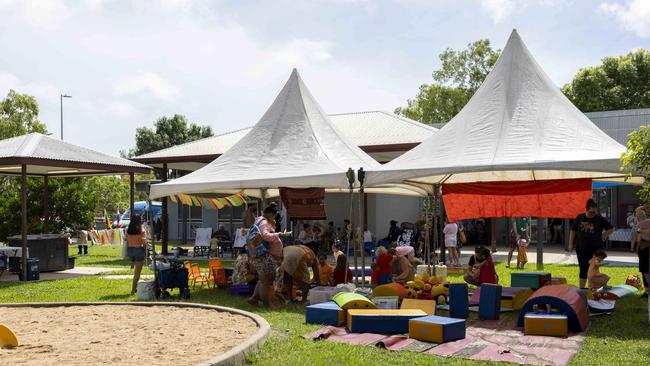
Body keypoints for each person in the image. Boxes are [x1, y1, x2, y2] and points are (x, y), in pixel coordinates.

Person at [246, 203, 291, 307]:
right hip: (265, 255)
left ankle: (254, 299)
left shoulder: (259, 220)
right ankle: (267, 304)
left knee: (263, 279)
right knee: (266, 281)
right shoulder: (264, 223)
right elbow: (266, 236)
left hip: (258, 254)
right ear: (271, 214)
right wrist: (279, 234)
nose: (275, 218)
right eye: (274, 215)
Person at [569, 199, 614, 289]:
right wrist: (570, 244)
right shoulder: (580, 217)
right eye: (591, 212)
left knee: (593, 269)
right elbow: (573, 231)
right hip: (581, 248)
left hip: (596, 250)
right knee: (583, 268)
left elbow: (611, 228)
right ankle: (581, 289)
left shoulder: (599, 218)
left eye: (594, 212)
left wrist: (604, 235)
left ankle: (594, 287)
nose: (593, 214)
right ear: (586, 209)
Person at [126, 216, 147, 295]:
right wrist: (146, 252)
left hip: (130, 250)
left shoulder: (128, 231)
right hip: (138, 250)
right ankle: (133, 290)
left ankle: (132, 263)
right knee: (137, 273)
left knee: (136, 270)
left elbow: (127, 241)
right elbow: (144, 243)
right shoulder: (141, 231)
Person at [634, 206, 650, 297]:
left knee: (646, 269)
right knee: (643, 270)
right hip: (641, 248)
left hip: (646, 247)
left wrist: (640, 231)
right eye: (636, 212)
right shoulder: (638, 222)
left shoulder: (648, 222)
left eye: (638, 211)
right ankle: (647, 291)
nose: (637, 213)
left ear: (644, 212)